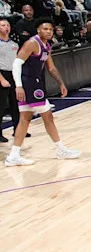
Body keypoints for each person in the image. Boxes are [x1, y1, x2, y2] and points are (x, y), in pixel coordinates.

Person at [5, 19, 80, 166]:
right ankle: (61, 149)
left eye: (50, 29)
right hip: (30, 83)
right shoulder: (32, 43)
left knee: (25, 119)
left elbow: (51, 68)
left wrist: (61, 83)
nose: (48, 31)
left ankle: (13, 156)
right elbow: (17, 63)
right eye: (45, 29)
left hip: (33, 83)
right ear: (38, 30)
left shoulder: (46, 45)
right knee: (47, 116)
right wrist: (18, 86)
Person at [0, 19, 23, 143]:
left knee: (16, 103)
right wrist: (2, 79)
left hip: (12, 73)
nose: (6, 27)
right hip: (2, 73)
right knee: (2, 105)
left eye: (7, 25)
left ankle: (18, 129)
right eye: (3, 25)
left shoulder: (14, 44)